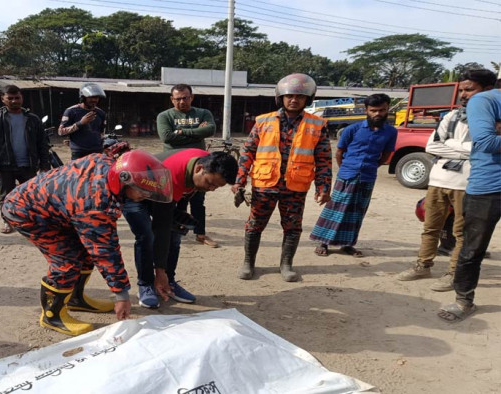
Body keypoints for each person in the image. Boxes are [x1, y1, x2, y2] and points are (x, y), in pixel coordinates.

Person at [1, 150, 172, 336]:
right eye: (142, 191)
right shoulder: (96, 204)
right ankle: (52, 315)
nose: (144, 196)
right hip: (27, 212)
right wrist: (121, 295)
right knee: (67, 263)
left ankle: (75, 299)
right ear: (123, 180)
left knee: (85, 255)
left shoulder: (110, 166)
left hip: (56, 207)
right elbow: (105, 251)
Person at [397, 70, 497, 291]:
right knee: (431, 227)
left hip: (468, 183)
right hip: (439, 180)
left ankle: (453, 274)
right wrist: (468, 150)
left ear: (488, 90)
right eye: (461, 89)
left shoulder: (492, 118)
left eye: (469, 89)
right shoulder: (451, 116)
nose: (463, 94)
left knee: (461, 233)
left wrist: (450, 147)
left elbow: (486, 145)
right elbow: (432, 146)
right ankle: (423, 265)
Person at [232, 73, 332, 282]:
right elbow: (247, 152)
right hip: (264, 184)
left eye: (299, 96)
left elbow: (323, 159)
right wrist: (239, 181)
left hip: (296, 186)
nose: (294, 100)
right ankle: (248, 262)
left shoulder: (318, 125)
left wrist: (323, 188)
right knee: (254, 225)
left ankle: (286, 264)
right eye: (289, 96)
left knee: (293, 227)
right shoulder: (263, 122)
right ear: (281, 97)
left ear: (307, 99)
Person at [122, 149, 238, 308]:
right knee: (146, 235)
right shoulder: (170, 176)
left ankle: (168, 282)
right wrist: (159, 270)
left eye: (216, 187)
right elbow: (160, 226)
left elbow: (187, 192)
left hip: (160, 192)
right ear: (199, 169)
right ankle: (146, 284)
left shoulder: (206, 161)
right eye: (210, 183)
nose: (211, 189)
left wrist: (180, 214)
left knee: (176, 234)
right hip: (134, 191)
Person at [437, 79, 501, 322]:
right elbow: (486, 142)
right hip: (489, 187)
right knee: (473, 248)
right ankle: (464, 300)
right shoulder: (485, 100)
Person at [310, 94, 397, 258]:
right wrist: (346, 169)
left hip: (368, 177)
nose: (377, 114)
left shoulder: (391, 132)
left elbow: (385, 156)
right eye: (373, 110)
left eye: (382, 110)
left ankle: (348, 244)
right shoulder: (352, 130)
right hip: (347, 175)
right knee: (336, 209)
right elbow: (339, 153)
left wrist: (371, 167)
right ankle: (323, 243)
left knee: (357, 212)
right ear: (366, 111)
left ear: (387, 110)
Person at [157, 84, 220, 248]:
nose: (182, 101)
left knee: (198, 201)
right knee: (174, 201)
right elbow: (166, 137)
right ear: (172, 100)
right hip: (174, 166)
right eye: (177, 99)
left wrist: (181, 132)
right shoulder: (165, 116)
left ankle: (201, 234)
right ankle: (174, 232)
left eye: (185, 97)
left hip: (199, 166)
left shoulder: (203, 113)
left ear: (191, 97)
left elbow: (210, 130)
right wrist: (195, 132)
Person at [0, 85, 51, 234]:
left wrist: (44, 164)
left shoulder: (33, 119)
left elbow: (42, 143)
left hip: (29, 164)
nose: (14, 101)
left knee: (31, 196)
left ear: (22, 98)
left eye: (17, 97)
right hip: (4, 165)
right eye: (10, 98)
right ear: (3, 99)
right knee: (6, 196)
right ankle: (8, 222)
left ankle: (30, 221)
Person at [58, 82, 107, 160]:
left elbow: (101, 133)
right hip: (79, 152)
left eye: (96, 97)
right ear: (83, 97)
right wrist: (80, 123)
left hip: (97, 151)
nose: (94, 100)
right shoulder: (71, 111)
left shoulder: (101, 113)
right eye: (91, 97)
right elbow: (61, 132)